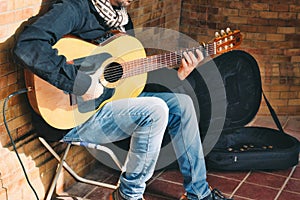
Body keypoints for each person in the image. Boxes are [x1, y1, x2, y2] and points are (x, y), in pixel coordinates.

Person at [13, 0, 233, 199]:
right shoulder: (74, 8)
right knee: (155, 110)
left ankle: (199, 193)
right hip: (69, 115)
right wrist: (79, 83)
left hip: (107, 106)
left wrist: (179, 73)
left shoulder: (122, 21)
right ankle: (128, 196)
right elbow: (28, 45)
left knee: (181, 104)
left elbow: (128, 79)